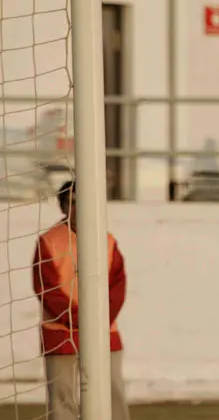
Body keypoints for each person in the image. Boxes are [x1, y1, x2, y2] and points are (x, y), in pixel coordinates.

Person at [32, 180, 130, 420]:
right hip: (60, 332)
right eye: (72, 203)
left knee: (113, 392)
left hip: (103, 332)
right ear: (63, 206)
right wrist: (81, 320)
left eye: (82, 202)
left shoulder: (107, 241)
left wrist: (98, 320)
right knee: (62, 397)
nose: (77, 208)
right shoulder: (49, 242)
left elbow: (117, 286)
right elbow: (47, 290)